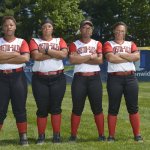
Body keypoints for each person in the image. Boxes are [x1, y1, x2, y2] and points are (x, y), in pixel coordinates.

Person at [29, 18, 68, 144]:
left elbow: (63, 55)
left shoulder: (59, 40)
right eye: (44, 27)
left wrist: (46, 50)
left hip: (58, 78)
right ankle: (41, 136)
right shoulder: (35, 40)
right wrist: (55, 53)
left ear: (53, 29)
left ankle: (56, 135)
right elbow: (36, 56)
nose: (47, 29)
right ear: (41, 29)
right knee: (42, 108)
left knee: (56, 107)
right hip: (40, 79)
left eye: (49, 27)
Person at [103, 21, 143, 142]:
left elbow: (136, 57)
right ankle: (111, 136)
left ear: (125, 32)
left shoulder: (131, 43)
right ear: (114, 31)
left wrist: (120, 54)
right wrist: (127, 57)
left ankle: (137, 135)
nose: (120, 33)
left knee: (133, 108)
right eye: (118, 30)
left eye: (122, 31)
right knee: (113, 108)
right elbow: (110, 58)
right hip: (115, 79)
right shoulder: (108, 43)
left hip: (131, 78)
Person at [68, 20, 105, 141]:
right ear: (80, 30)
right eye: (84, 27)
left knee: (97, 108)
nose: (87, 30)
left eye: (89, 28)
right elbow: (72, 60)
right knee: (77, 108)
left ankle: (101, 135)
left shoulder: (97, 43)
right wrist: (89, 56)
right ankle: (73, 136)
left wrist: (81, 58)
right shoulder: (74, 44)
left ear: (92, 30)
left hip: (94, 78)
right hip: (79, 78)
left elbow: (100, 60)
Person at [0, 16, 30, 146]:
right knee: (0, 109)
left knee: (20, 108)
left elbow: (25, 59)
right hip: (1, 78)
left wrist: (4, 58)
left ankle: (23, 137)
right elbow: (20, 57)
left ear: (15, 27)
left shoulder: (21, 41)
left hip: (18, 77)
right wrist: (15, 54)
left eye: (11, 25)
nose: (9, 27)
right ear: (2, 27)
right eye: (6, 25)